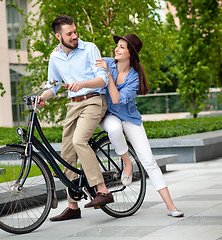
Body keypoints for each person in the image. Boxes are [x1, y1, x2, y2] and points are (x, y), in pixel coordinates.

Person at [95, 33, 184, 217]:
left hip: (129, 117)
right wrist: (63, 51)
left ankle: (171, 206)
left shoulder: (134, 77)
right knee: (114, 128)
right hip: (108, 115)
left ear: (131, 54)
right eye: (117, 45)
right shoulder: (107, 62)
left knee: (149, 161)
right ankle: (127, 163)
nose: (116, 49)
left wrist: (109, 77)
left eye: (121, 47)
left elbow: (116, 98)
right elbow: (84, 61)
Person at [37, 15, 114, 221]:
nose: (74, 36)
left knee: (79, 140)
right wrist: (42, 97)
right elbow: (52, 85)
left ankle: (103, 190)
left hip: (93, 100)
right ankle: (73, 205)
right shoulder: (55, 57)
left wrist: (82, 83)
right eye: (69, 33)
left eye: (75, 31)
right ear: (58, 36)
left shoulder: (90, 49)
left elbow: (102, 79)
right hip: (73, 105)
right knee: (67, 152)